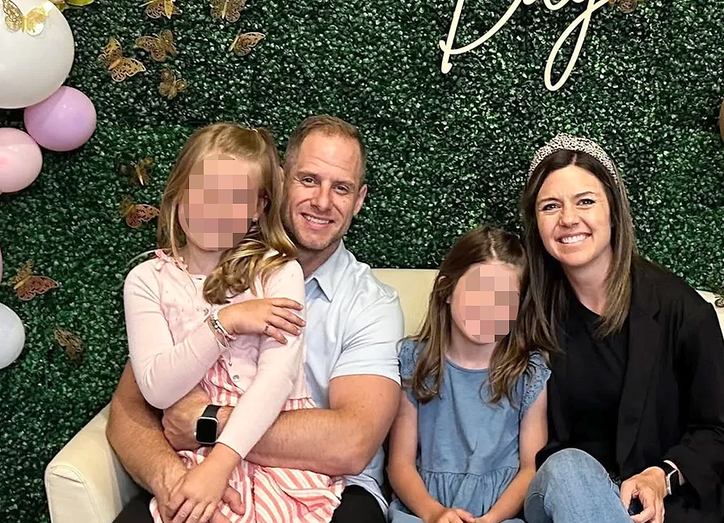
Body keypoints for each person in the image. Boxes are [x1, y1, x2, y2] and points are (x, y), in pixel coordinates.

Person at [107, 115, 404, 523]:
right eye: (308, 180)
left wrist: (207, 422)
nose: (322, 201)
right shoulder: (180, 278)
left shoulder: (371, 304)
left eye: (341, 188)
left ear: (359, 199)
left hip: (326, 484)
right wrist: (178, 487)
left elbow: (350, 445)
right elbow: (132, 408)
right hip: (197, 467)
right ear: (278, 182)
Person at [516, 134, 724, 523]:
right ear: (535, 223)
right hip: (565, 493)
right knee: (568, 467)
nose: (568, 219)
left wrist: (660, 477)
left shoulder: (680, 309)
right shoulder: (528, 308)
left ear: (614, 211)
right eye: (550, 206)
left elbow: (718, 432)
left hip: (663, 502)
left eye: (585, 201)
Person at [387, 226, 549, 523]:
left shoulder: (528, 374)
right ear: (446, 290)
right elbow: (400, 464)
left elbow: (530, 469)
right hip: (425, 512)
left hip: (502, 516)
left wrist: (491, 519)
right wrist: (435, 513)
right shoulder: (415, 361)